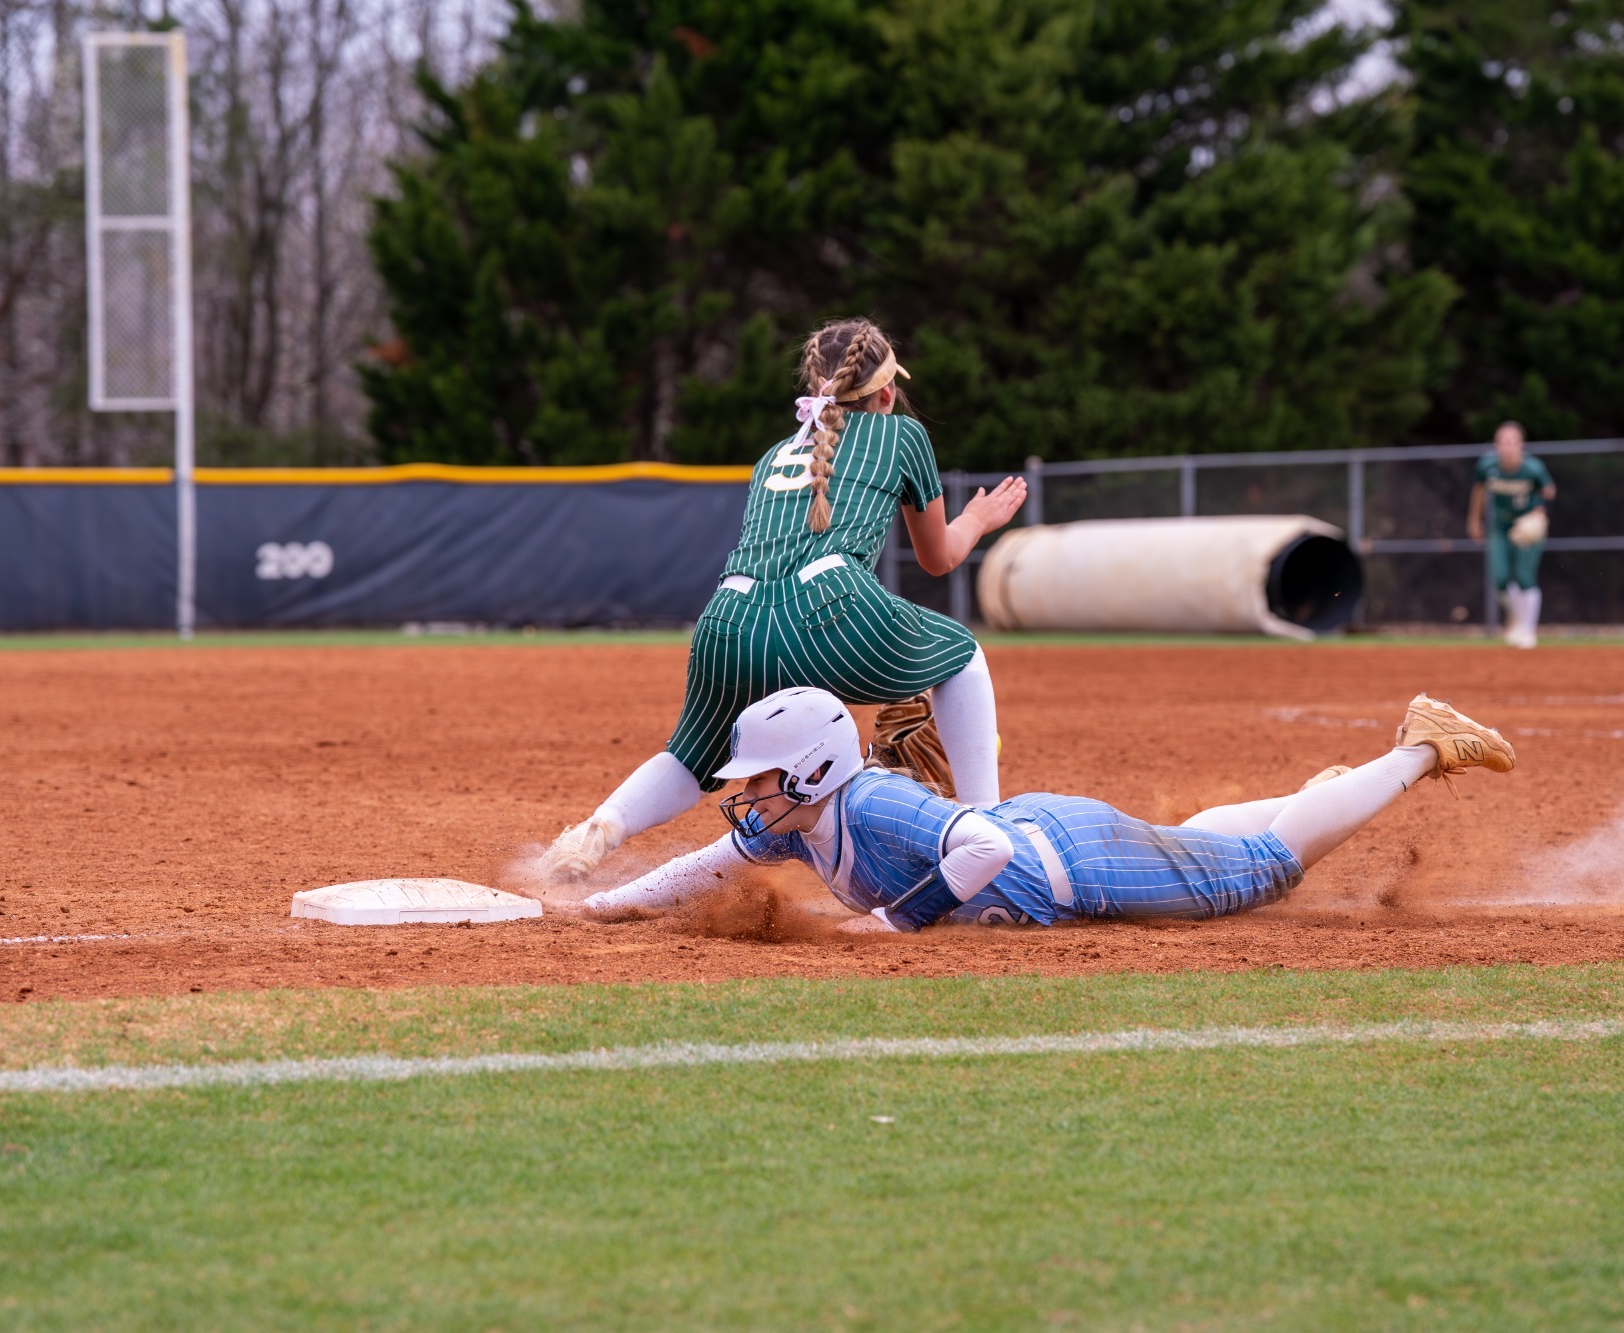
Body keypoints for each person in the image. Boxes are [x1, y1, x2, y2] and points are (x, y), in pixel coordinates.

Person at [538, 319, 1027, 882]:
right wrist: (978, 518)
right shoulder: (903, 435)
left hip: (727, 619)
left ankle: (594, 833)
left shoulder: (774, 454)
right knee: (962, 657)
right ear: (888, 391)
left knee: (690, 759)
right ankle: (990, 829)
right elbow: (937, 558)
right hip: (832, 609)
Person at [577, 687, 1516, 931]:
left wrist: (905, 921)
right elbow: (710, 865)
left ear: (816, 772)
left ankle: (1419, 745)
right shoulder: (807, 817)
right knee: (1200, 844)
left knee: (1261, 876)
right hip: (1059, 837)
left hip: (1074, 866)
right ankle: (1318, 799)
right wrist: (610, 906)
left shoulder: (873, 810)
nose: (744, 793)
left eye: (759, 778)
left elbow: (978, 845)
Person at [1467, 421, 1556, 649]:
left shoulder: (1533, 468)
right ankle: (1517, 621)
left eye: (1512, 441)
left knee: (1525, 577)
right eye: (1503, 442)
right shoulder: (1487, 466)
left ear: (1521, 444)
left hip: (1527, 528)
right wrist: (1474, 520)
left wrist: (1539, 513)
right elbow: (1478, 490)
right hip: (1500, 526)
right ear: (1496, 445)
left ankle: (1528, 630)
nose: (1507, 447)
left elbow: (1548, 491)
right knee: (1500, 579)